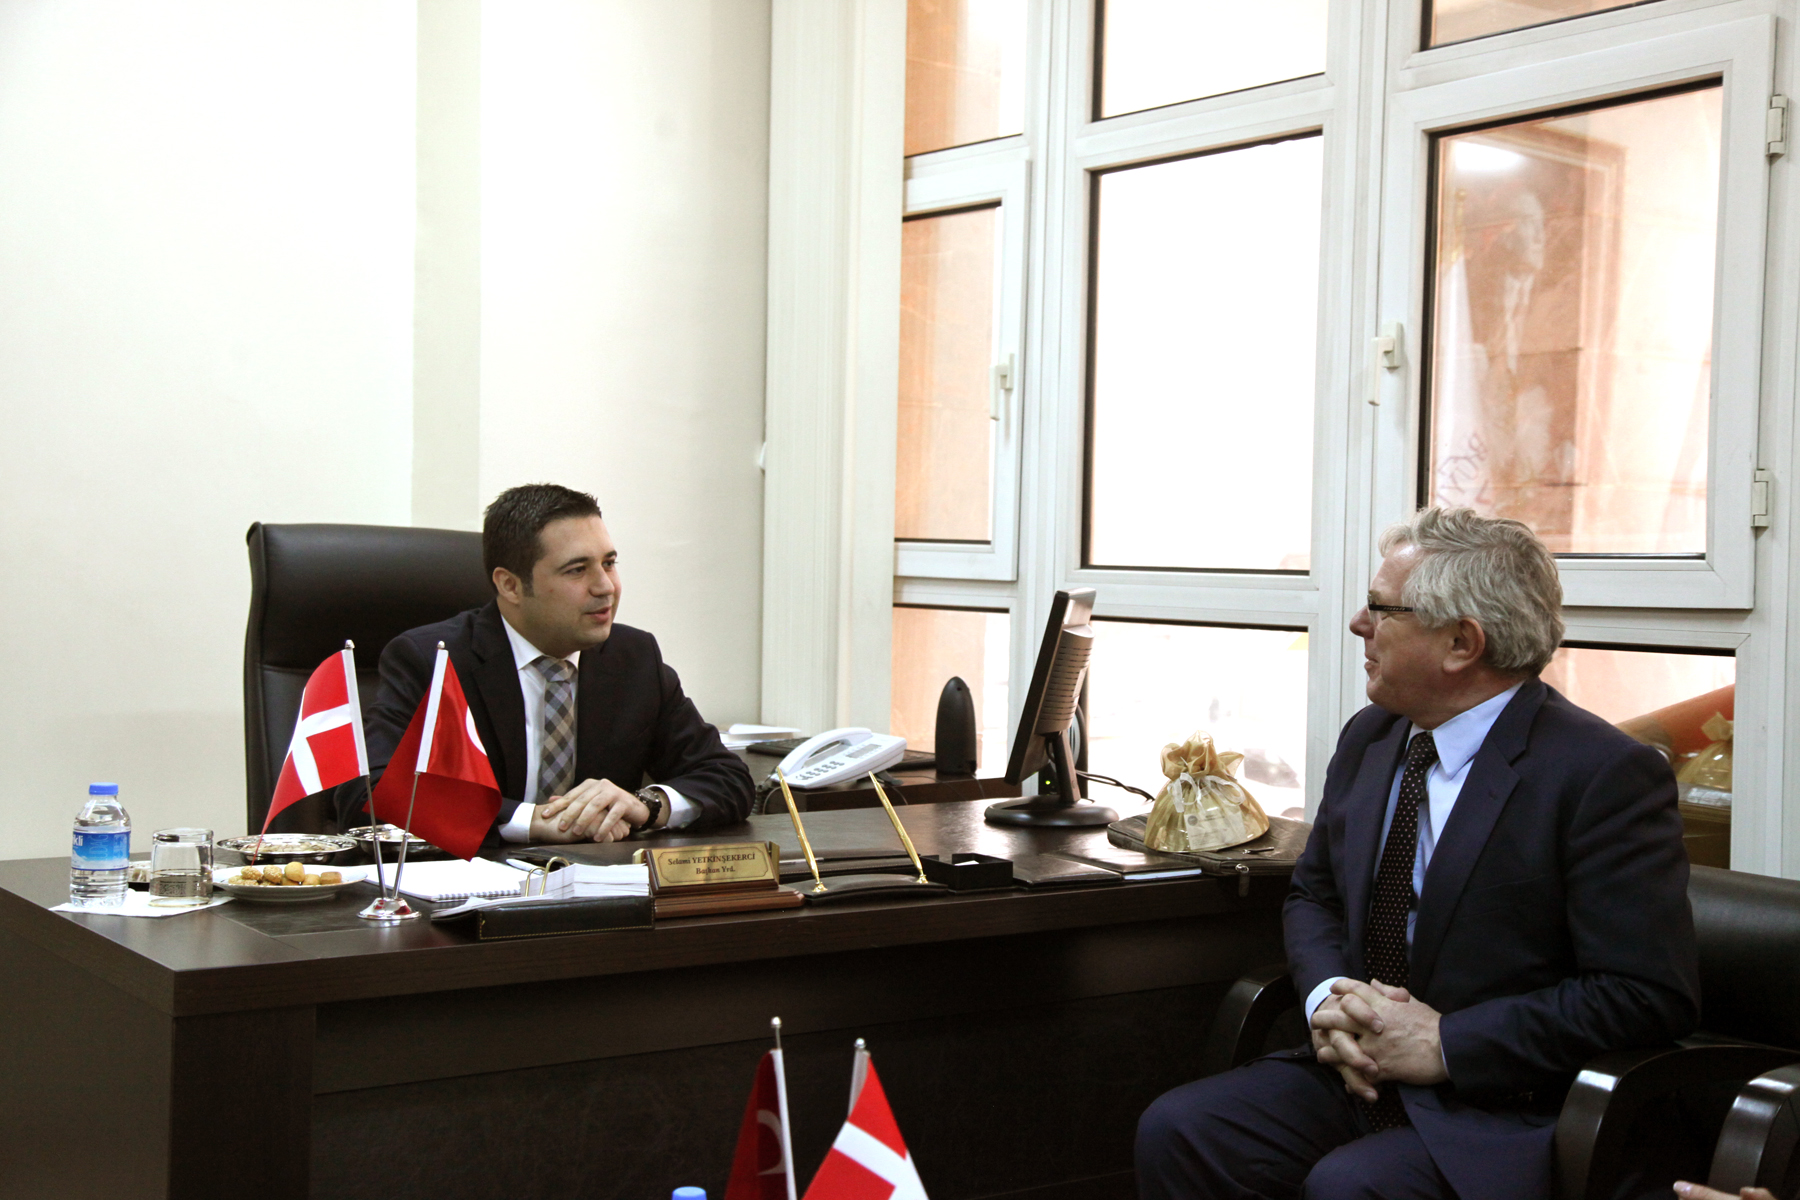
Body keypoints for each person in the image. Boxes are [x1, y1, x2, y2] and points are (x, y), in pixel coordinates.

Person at [1136, 507, 1699, 1200]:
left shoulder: (1602, 774)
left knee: (1352, 1186)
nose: (1358, 624)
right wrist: (1327, 1002)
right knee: (1182, 1128)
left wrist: (1446, 1043)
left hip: (1508, 1099)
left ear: (1461, 642)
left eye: (1381, 608)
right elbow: (1315, 895)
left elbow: (1645, 996)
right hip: (1362, 1071)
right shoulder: (1372, 736)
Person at [359, 483, 754, 844]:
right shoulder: (433, 660)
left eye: (609, 563)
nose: (605, 587)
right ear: (510, 585)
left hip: (601, 882)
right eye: (577, 570)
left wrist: (646, 804)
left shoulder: (633, 657)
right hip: (470, 882)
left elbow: (727, 777)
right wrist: (530, 821)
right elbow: (375, 792)